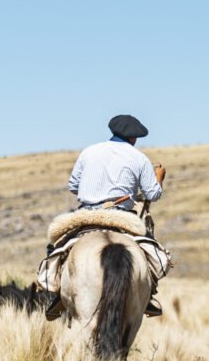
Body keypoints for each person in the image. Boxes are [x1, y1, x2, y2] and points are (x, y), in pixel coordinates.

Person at [44, 114, 168, 318]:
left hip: (86, 215)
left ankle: (56, 291)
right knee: (151, 253)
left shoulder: (88, 152)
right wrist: (159, 178)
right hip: (121, 217)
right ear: (134, 138)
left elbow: (73, 186)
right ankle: (149, 295)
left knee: (57, 248)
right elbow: (153, 194)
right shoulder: (139, 158)